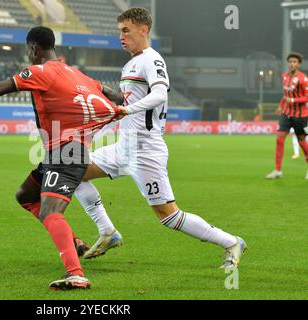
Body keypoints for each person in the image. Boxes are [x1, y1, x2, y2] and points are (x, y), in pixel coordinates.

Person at [0, 26, 122, 290]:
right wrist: (131, 101)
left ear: (33, 48)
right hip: (63, 152)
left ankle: (76, 274)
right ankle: (74, 242)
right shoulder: (74, 72)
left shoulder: (40, 71)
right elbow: (109, 93)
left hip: (66, 152)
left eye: (28, 49)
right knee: (25, 195)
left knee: (51, 212)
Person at [73, 7, 247, 269]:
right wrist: (99, 129)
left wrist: (126, 108)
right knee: (71, 170)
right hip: (124, 148)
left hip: (146, 151)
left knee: (169, 217)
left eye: (126, 30)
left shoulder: (151, 59)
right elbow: (127, 110)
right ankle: (108, 232)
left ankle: (232, 242)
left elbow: (160, 95)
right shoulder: (131, 62)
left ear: (143, 30)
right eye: (119, 30)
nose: (121, 36)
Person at [266, 52, 308, 179]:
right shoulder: (284, 76)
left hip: (300, 116)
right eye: (290, 61)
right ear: (288, 63)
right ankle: (278, 170)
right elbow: (286, 95)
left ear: (299, 64)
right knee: (279, 140)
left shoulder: (303, 79)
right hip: (286, 113)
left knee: (302, 142)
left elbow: (307, 97)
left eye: (295, 62)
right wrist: (281, 105)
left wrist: (294, 101)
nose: (292, 64)